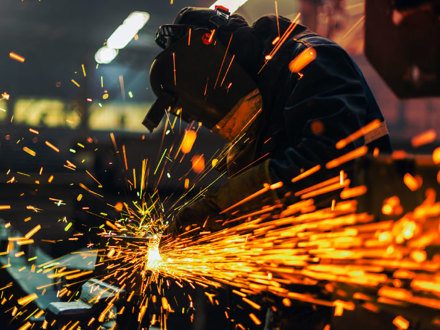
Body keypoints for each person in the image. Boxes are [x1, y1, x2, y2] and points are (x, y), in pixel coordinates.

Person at [143, 6, 392, 329]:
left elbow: (328, 165)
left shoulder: (308, 60)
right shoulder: (259, 84)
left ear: (209, 51)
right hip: (297, 286)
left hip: (351, 281)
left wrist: (222, 207)